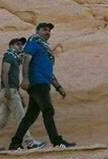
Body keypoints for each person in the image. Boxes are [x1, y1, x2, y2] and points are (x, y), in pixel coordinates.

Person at [9, 22, 76, 150]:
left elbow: (48, 71)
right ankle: (57, 141)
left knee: (30, 116)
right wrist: (25, 78)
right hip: (37, 82)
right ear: (37, 31)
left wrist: (58, 87)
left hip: (43, 83)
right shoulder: (34, 43)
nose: (47, 32)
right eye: (44, 29)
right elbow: (26, 60)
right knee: (47, 110)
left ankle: (15, 143)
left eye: (49, 30)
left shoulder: (45, 49)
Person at [0, 37, 45, 150]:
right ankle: (30, 142)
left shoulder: (14, 58)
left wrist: (18, 95)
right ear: (11, 45)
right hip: (10, 92)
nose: (20, 46)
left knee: (1, 121)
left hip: (9, 92)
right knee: (21, 118)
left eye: (21, 45)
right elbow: (4, 73)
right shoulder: (9, 56)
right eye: (18, 44)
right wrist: (8, 90)